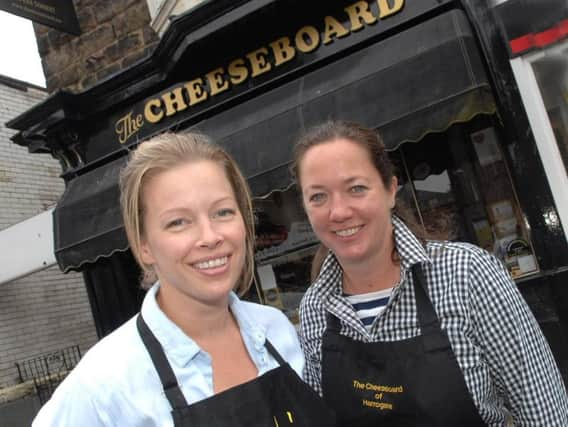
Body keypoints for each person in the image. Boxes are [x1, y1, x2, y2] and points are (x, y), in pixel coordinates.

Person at [33, 132, 337, 427]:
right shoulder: (106, 383)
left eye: (222, 212)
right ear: (144, 245)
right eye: (178, 222)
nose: (210, 237)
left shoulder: (276, 329)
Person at [292, 120, 568, 426]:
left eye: (356, 188)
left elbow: (545, 414)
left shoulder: (466, 274)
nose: (339, 211)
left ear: (390, 190)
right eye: (318, 196)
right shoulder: (315, 308)